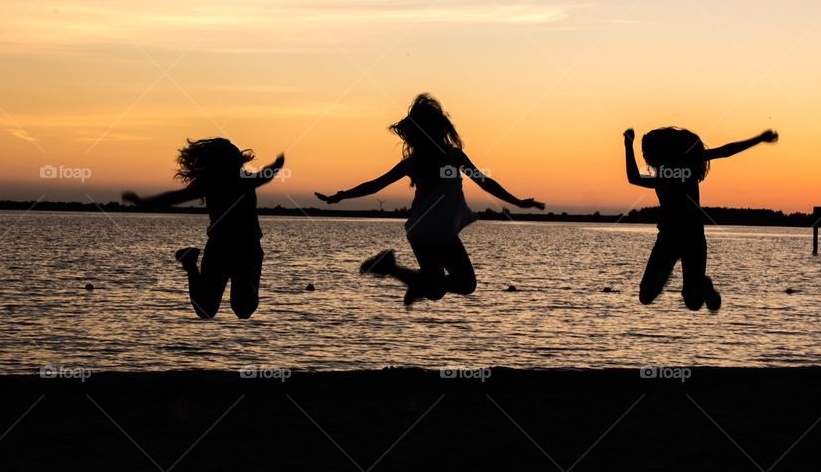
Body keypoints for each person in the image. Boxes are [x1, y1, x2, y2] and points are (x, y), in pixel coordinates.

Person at [316, 94, 545, 305]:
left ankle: (392, 269)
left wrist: (342, 196)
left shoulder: (414, 162)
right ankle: (398, 272)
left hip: (419, 229)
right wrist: (517, 201)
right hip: (439, 229)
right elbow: (483, 181)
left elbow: (375, 185)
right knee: (464, 284)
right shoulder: (453, 156)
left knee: (435, 291)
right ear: (438, 128)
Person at [123, 138, 284, 319]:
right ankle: (192, 264)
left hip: (245, 248)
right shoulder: (215, 183)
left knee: (242, 309)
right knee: (206, 310)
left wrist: (277, 165)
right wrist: (143, 202)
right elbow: (175, 197)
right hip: (222, 247)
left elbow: (264, 175)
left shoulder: (241, 180)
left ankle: (244, 274)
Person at [624, 127, 779, 311]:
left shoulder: (663, 177)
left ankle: (661, 281)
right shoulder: (689, 163)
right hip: (693, 236)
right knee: (693, 302)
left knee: (645, 296)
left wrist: (627, 145)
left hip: (669, 237)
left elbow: (633, 177)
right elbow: (725, 151)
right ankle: (701, 285)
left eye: (646, 153)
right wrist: (758, 139)